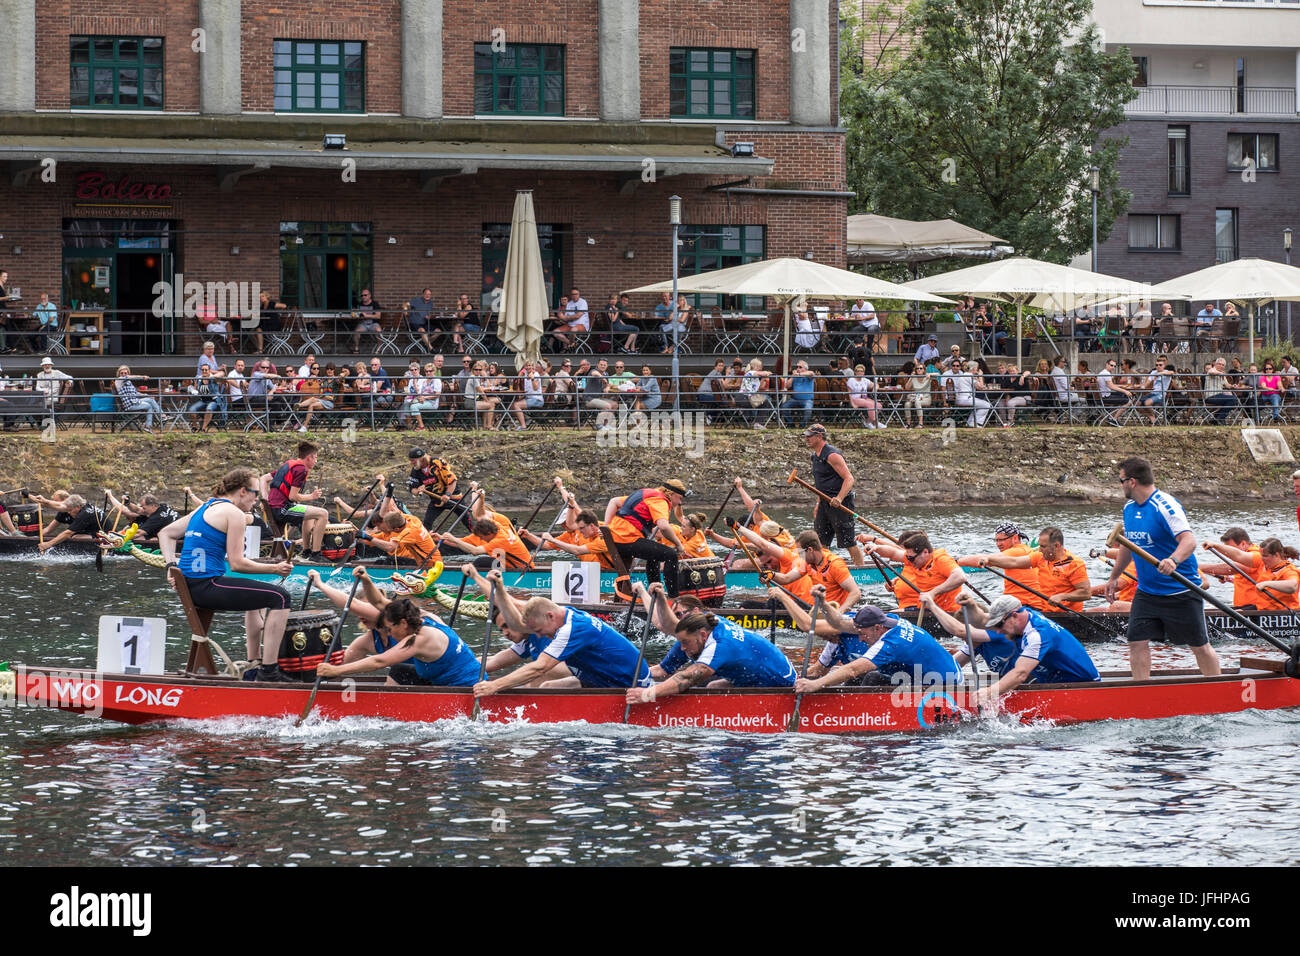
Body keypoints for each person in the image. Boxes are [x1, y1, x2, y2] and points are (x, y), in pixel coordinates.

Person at [156, 467, 294, 681]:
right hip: (208, 587)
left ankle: (253, 664)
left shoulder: (205, 507)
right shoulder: (234, 514)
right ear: (242, 491)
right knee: (281, 597)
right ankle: (270, 671)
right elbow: (238, 563)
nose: (257, 500)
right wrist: (275, 568)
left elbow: (166, 533)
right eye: (255, 493)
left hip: (192, 586)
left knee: (255, 597)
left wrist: (170, 566)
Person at [1105, 456, 1221, 680]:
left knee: (1199, 646)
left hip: (1181, 590)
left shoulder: (1166, 506)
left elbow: (1189, 540)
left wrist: (1173, 560)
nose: (1120, 486)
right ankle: (1141, 690)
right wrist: (1113, 578)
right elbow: (1129, 547)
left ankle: (1217, 685)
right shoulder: (1129, 508)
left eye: (1120, 481)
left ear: (1132, 482)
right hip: (1147, 592)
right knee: (1136, 641)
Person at [475, 586, 650, 695]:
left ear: (550, 616)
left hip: (630, 684)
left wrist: (494, 686)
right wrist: (496, 587)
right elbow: (517, 612)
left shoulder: (572, 629)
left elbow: (539, 667)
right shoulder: (563, 612)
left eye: (539, 631)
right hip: (601, 678)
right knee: (548, 687)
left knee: (542, 671)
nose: (541, 636)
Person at [943, 595, 1099, 706]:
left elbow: (1020, 674)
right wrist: (971, 605)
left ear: (1014, 616)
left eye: (1000, 625)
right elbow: (983, 621)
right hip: (1053, 682)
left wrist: (989, 692)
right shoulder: (1023, 618)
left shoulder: (1037, 634)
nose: (997, 631)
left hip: (1080, 685)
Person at [626, 609, 796, 708]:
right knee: (714, 686)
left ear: (702, 635)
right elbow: (664, 670)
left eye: (685, 643)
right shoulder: (708, 621)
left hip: (780, 682)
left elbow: (685, 678)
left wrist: (648, 695)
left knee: (710, 685)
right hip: (755, 674)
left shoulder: (720, 645)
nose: (682, 648)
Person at [315, 590, 480, 687]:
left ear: (403, 623)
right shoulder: (426, 619)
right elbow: (379, 600)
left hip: (465, 688)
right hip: (452, 680)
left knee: (396, 669)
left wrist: (336, 671)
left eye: (390, 628)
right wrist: (365, 578)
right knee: (400, 671)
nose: (389, 633)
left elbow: (378, 662)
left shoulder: (418, 640)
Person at [793, 603, 964, 695]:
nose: (860, 638)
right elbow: (838, 623)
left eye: (862, 634)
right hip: (941, 672)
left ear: (876, 628)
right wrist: (822, 602)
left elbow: (853, 669)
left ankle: (857, 717)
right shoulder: (890, 620)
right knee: (866, 679)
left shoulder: (890, 644)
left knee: (867, 678)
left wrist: (815, 685)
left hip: (946, 687)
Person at [962, 525, 1092, 612]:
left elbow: (1086, 593)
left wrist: (1062, 596)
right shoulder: (1040, 557)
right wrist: (989, 559)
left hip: (1066, 615)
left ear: (1057, 545)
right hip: (1044, 612)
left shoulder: (1074, 564)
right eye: (1040, 546)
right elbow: (1013, 562)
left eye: (1043, 546)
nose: (1040, 549)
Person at [604, 480, 690, 596]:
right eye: (679, 498)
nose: (680, 502)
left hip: (618, 538)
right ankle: (674, 598)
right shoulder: (660, 500)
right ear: (670, 494)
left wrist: (606, 527)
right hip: (626, 539)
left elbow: (613, 501)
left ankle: (655, 593)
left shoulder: (645, 493)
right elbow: (663, 526)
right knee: (671, 554)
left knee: (654, 555)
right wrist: (679, 544)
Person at [859, 530, 967, 615]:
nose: (909, 561)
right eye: (908, 558)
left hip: (946, 613)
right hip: (926, 611)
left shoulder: (940, 559)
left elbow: (960, 577)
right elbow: (893, 553)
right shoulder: (915, 558)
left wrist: (932, 593)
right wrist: (876, 548)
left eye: (911, 558)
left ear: (925, 552)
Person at [803, 423, 865, 566]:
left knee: (848, 541)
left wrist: (839, 498)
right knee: (820, 541)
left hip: (841, 503)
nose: (806, 439)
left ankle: (861, 570)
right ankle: (823, 568)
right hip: (825, 503)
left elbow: (849, 479)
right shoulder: (815, 457)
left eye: (809, 436)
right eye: (806, 436)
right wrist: (818, 504)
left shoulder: (832, 455)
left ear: (819, 437)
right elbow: (821, 485)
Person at [266, 440, 329, 558]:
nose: (316, 461)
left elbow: (264, 478)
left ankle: (306, 552)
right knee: (323, 514)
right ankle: (316, 554)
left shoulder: (289, 464)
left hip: (276, 507)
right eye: (315, 458)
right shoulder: (301, 470)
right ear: (309, 457)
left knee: (309, 516)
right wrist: (312, 496)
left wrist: (265, 500)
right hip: (282, 509)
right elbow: (293, 496)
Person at [1199, 528, 1268, 610]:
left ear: (1243, 544)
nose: (1228, 553)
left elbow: (1231, 568)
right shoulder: (1246, 556)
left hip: (1255, 609)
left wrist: (1197, 566)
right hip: (1242, 607)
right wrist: (1229, 579)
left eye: (1230, 549)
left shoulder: (1257, 555)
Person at [796, 530, 861, 609]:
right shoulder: (808, 562)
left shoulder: (835, 565)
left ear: (810, 550)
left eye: (800, 553)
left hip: (834, 611)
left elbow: (856, 592)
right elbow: (786, 578)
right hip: (817, 608)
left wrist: (838, 613)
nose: (799, 556)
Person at [406, 449, 466, 532]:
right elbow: (413, 489)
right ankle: (428, 542)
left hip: (453, 498)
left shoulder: (437, 462)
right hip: (436, 501)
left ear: (421, 458)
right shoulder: (415, 470)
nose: (411, 463)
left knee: (467, 520)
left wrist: (447, 495)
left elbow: (452, 481)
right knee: (426, 524)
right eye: (410, 460)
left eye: (413, 460)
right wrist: (419, 490)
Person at [102, 491, 179, 546]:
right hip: (178, 531)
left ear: (152, 506)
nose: (142, 509)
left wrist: (115, 538)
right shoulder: (162, 506)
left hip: (178, 538)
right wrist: (128, 503)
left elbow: (138, 533)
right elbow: (138, 510)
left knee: (143, 537)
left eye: (144, 507)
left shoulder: (156, 518)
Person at [37, 493, 103, 552]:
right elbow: (48, 529)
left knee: (74, 537)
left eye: (70, 510)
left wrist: (48, 544)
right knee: (71, 535)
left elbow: (68, 533)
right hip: (95, 532)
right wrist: (36, 537)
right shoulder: (83, 506)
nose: (68, 512)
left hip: (106, 537)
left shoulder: (84, 514)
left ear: (78, 507)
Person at [113, 365, 163, 432]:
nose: (123, 375)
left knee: (151, 399)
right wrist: (142, 376)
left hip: (135, 401)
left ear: (128, 373)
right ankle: (148, 426)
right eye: (122, 373)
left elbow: (136, 393)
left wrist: (147, 395)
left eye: (125, 373)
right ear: (119, 374)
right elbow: (129, 377)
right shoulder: (118, 380)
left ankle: (162, 416)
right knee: (149, 406)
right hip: (130, 405)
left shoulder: (128, 382)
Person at [350, 289, 383, 353]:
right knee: (356, 331)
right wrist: (355, 314)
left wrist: (366, 315)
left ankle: (379, 349)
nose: (363, 297)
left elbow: (378, 316)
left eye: (365, 295)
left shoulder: (375, 304)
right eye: (362, 295)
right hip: (363, 324)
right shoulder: (360, 304)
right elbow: (357, 314)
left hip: (373, 324)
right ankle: (356, 348)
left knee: (379, 331)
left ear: (369, 295)